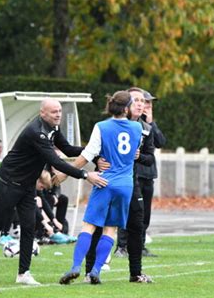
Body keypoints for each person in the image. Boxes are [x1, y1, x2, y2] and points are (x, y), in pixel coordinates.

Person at [0, 98, 106, 285]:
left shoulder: (53, 128)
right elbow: (57, 162)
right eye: (53, 112)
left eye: (59, 111)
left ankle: (23, 273)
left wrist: (94, 151)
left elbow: (66, 149)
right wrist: (85, 174)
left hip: (27, 185)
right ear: (42, 113)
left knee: (29, 226)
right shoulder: (37, 133)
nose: (58, 114)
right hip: (10, 181)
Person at [55, 90, 142, 285]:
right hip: (125, 184)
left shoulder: (102, 127)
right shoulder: (137, 128)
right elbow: (135, 152)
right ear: (127, 108)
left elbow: (87, 155)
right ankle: (96, 271)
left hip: (104, 181)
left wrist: (64, 173)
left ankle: (76, 266)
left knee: (89, 226)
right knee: (110, 230)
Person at [85, 87, 156, 284]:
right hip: (107, 182)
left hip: (131, 185)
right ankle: (89, 270)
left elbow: (151, 158)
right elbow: (95, 150)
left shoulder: (145, 129)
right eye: (136, 100)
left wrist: (140, 156)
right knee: (97, 225)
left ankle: (136, 273)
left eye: (143, 100)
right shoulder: (107, 126)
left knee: (136, 225)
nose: (140, 104)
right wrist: (98, 160)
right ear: (125, 106)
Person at [116, 88, 166, 257]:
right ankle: (121, 246)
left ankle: (140, 245)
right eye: (143, 101)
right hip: (131, 175)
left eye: (147, 102)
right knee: (127, 211)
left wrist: (151, 121)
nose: (145, 105)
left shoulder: (147, 126)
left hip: (148, 174)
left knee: (144, 214)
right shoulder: (124, 123)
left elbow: (159, 143)